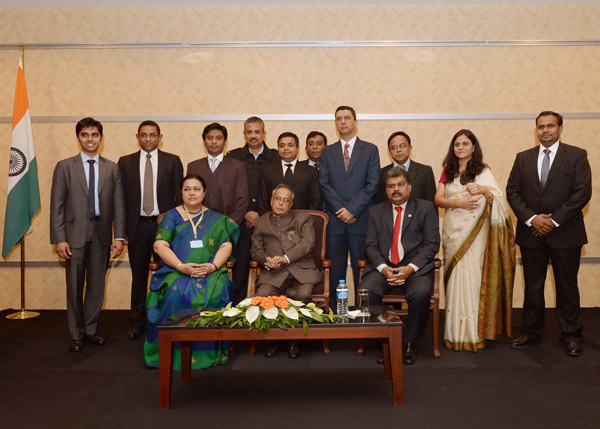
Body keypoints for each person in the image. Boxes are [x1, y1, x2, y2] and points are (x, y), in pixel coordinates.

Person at [506, 111, 592, 357]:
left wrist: (553, 220)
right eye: (541, 127)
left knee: (567, 286)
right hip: (531, 232)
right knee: (533, 287)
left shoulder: (576, 155)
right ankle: (531, 334)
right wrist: (533, 218)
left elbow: (582, 192)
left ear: (561, 128)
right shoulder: (523, 158)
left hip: (566, 233)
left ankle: (572, 336)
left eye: (550, 126)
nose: (545, 130)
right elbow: (512, 192)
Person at [144, 174, 240, 369]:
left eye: (196, 189)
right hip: (176, 270)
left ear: (204, 193)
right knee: (174, 292)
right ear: (181, 192)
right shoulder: (171, 216)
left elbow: (226, 246)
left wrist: (213, 266)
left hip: (210, 271)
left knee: (219, 290)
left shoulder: (216, 219)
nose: (192, 193)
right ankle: (171, 351)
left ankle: (208, 351)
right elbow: (160, 245)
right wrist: (181, 266)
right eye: (187, 189)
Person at [434, 129, 515, 352]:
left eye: (465, 143)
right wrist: (457, 203)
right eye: (457, 144)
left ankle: (473, 334)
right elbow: (438, 199)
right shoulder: (447, 171)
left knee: (472, 278)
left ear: (473, 147)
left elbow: (497, 199)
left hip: (475, 232)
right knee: (454, 280)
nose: (460, 147)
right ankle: (454, 334)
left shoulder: (482, 171)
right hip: (452, 231)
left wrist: (484, 190)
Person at [50, 117, 126, 352]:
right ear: (78, 138)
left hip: (102, 234)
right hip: (73, 235)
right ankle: (76, 333)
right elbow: (57, 206)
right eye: (85, 135)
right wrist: (59, 238)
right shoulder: (65, 166)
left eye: (94, 135)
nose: (90, 139)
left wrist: (119, 236)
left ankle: (91, 329)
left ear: (101, 138)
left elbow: (119, 205)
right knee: (74, 285)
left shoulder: (112, 168)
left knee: (96, 285)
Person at [359, 167, 440, 365]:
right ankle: (386, 342)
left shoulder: (425, 208)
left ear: (409, 187)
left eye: (400, 185)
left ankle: (410, 343)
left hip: (415, 269)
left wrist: (410, 268)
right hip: (384, 267)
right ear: (386, 190)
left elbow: (432, 244)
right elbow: (370, 245)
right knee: (365, 291)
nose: (396, 190)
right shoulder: (376, 211)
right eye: (391, 186)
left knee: (420, 294)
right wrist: (383, 269)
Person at [118, 120, 183, 339]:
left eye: (152, 135)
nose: (148, 139)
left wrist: (173, 220)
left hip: (163, 227)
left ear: (160, 137)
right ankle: (137, 322)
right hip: (137, 227)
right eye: (144, 135)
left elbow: (178, 196)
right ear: (137, 137)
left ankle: (166, 318)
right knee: (139, 276)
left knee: (168, 272)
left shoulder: (172, 161)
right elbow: (122, 199)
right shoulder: (125, 163)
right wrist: (123, 229)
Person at [251, 184, 322, 358]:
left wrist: (286, 258)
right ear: (271, 201)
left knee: (304, 294)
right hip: (273, 272)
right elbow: (255, 250)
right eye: (278, 199)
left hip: (301, 270)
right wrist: (266, 260)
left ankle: (296, 340)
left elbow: (308, 244)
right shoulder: (261, 221)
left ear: (291, 205)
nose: (281, 203)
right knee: (264, 293)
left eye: (286, 200)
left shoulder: (303, 218)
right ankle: (272, 340)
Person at [320, 105, 380, 309]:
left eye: (347, 118)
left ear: (355, 122)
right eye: (338, 118)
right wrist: (342, 211)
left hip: (360, 220)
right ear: (335, 123)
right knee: (336, 271)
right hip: (336, 222)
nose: (343, 121)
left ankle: (362, 314)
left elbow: (372, 184)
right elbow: (324, 184)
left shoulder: (370, 150)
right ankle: (337, 315)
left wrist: (352, 210)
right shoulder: (327, 152)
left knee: (361, 270)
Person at [228, 117, 278, 304]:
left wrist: (261, 217)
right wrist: (246, 213)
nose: (253, 136)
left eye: (257, 132)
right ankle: (237, 309)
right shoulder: (233, 157)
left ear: (264, 134)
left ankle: (269, 310)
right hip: (241, 223)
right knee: (240, 270)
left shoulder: (275, 157)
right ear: (244, 134)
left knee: (271, 269)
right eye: (249, 132)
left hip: (269, 224)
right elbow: (230, 191)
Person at [187, 122, 249, 225]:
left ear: (225, 141)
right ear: (204, 141)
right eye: (210, 138)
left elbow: (242, 201)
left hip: (228, 225)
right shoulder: (193, 167)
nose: (214, 142)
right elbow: (188, 197)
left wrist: (229, 225)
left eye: (219, 138)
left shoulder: (238, 167)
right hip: (198, 225)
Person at [257, 132, 321, 215]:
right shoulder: (267, 172)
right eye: (282, 145)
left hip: (302, 223)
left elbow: (316, 201)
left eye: (290, 145)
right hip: (274, 224)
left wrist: (306, 221)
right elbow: (262, 203)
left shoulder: (311, 172)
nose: (286, 148)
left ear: (297, 148)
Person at [376, 131, 436, 205]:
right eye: (394, 147)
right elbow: (379, 203)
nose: (398, 150)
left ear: (410, 148)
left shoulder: (425, 171)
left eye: (402, 146)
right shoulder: (382, 173)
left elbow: (432, 203)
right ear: (390, 151)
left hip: (418, 216)